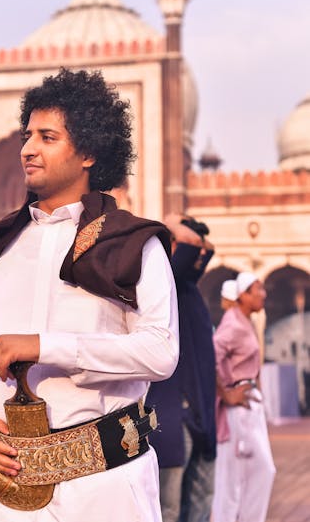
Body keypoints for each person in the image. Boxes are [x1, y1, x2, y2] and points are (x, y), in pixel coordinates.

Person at [0, 68, 179, 522]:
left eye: (47, 137)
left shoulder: (133, 244)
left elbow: (161, 352)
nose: (28, 149)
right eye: (27, 135)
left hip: (103, 487)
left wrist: (43, 346)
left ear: (87, 152)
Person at [147, 214, 217, 522]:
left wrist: (186, 227)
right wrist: (168, 221)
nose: (199, 254)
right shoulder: (166, 280)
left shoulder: (187, 286)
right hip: (172, 414)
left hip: (197, 411)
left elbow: (205, 245)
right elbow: (191, 242)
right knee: (169, 508)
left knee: (200, 502)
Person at [212, 272, 276, 522]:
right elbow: (212, 356)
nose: (264, 294)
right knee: (240, 477)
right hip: (238, 410)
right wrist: (226, 393)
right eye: (258, 289)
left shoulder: (243, 320)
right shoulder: (233, 323)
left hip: (248, 406)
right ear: (243, 295)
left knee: (251, 474)